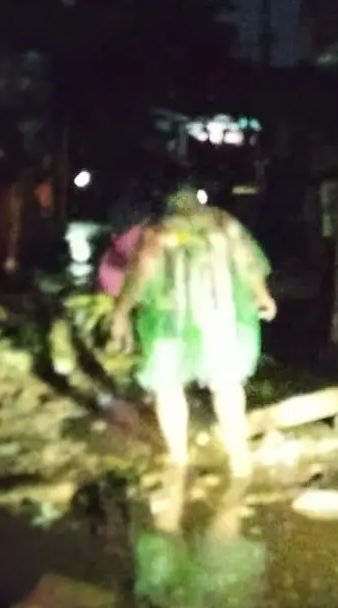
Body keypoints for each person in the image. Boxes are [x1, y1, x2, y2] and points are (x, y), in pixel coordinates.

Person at [110, 184, 277, 476]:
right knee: (227, 385)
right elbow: (247, 261)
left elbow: (142, 272)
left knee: (168, 387)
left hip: (170, 322)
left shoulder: (159, 231)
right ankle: (239, 456)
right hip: (222, 317)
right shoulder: (223, 222)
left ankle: (179, 456)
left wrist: (121, 313)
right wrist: (262, 294)